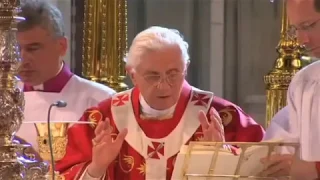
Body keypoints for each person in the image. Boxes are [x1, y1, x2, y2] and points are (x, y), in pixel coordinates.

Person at [55, 26, 265, 180]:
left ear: (186, 68)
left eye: (173, 74)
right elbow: (63, 173)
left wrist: (224, 158)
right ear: (132, 75)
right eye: (153, 76)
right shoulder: (102, 120)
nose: (164, 86)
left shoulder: (223, 117)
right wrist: (96, 168)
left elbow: (266, 168)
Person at [15, 0, 115, 153]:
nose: (23, 59)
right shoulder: (5, 100)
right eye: (17, 49)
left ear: (62, 46)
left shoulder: (100, 100)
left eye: (33, 48)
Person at [263, 0, 320, 178]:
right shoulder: (306, 82)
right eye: (296, 29)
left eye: (308, 26)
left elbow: (305, 169)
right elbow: (279, 152)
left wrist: (314, 170)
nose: (302, 40)